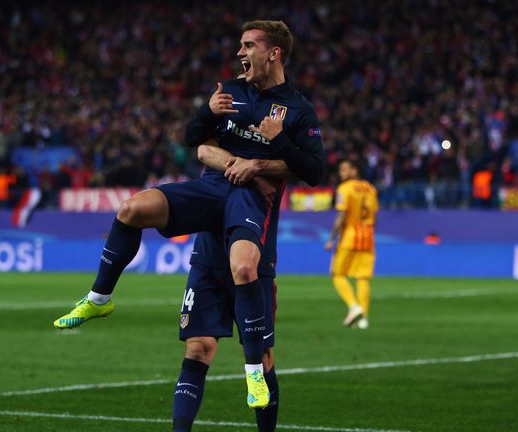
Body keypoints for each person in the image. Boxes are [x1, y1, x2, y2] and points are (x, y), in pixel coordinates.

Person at [54, 20, 324, 411]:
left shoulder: (298, 109)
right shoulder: (229, 92)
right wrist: (208, 114)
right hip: (214, 187)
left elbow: (313, 172)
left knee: (245, 270)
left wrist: (274, 145)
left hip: (249, 198)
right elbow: (196, 143)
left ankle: (252, 372)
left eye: (248, 46)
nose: (240, 53)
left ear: (273, 53)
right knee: (132, 209)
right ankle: (100, 297)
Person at [172, 142, 290, 432]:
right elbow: (200, 147)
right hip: (208, 260)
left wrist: (257, 167)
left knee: (262, 358)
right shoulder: (223, 124)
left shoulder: (277, 138)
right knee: (198, 348)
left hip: (254, 266)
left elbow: (306, 167)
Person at [324, 159, 379, 329]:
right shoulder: (371, 189)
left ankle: (354, 307)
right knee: (363, 278)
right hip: (368, 237)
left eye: (345, 169)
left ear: (355, 170)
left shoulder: (344, 189)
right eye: (341, 170)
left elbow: (341, 216)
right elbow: (375, 215)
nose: (342, 173)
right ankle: (363, 319)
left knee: (337, 274)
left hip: (349, 237)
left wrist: (332, 238)